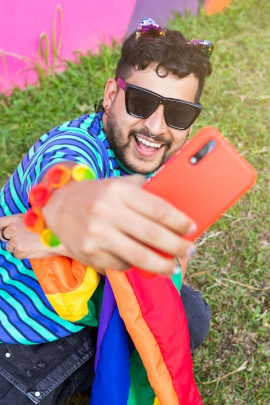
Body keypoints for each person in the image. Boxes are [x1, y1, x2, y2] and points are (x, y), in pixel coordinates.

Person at [0, 18, 212, 404]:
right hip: (14, 340)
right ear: (112, 93)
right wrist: (61, 226)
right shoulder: (74, 147)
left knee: (189, 314)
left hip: (82, 321)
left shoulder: (154, 165)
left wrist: (58, 242)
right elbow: (67, 187)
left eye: (178, 114)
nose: (155, 127)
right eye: (142, 103)